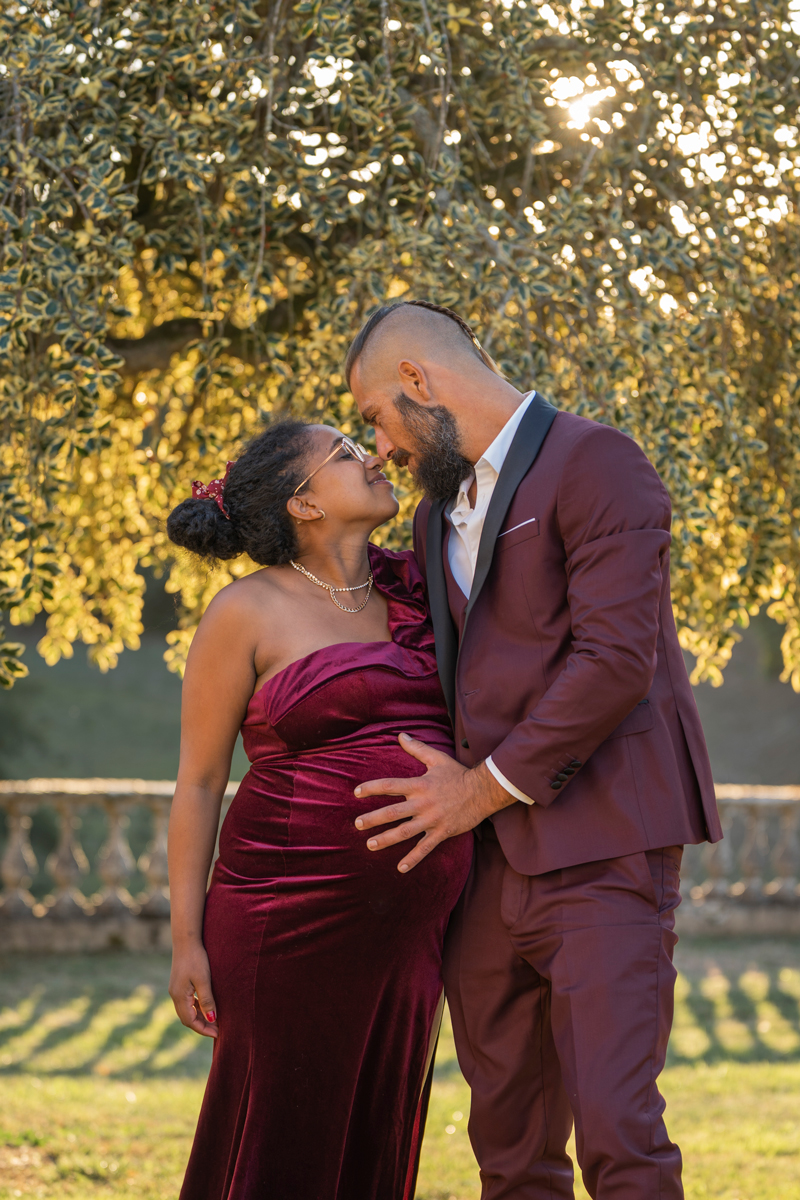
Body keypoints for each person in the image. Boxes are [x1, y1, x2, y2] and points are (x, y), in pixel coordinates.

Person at [345, 300, 723, 1199]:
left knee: (619, 1142)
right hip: (483, 880)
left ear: (417, 381)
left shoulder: (598, 462)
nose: (382, 449)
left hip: (604, 852)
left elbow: (615, 663)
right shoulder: (435, 518)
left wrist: (475, 793)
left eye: (375, 418)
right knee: (509, 1155)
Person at [165, 418, 473, 1200]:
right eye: (346, 451)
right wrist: (184, 941)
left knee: (377, 1130)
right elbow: (199, 783)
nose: (370, 456)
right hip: (283, 918)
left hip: (407, 936)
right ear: (303, 504)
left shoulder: (417, 587)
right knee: (281, 1143)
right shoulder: (246, 610)